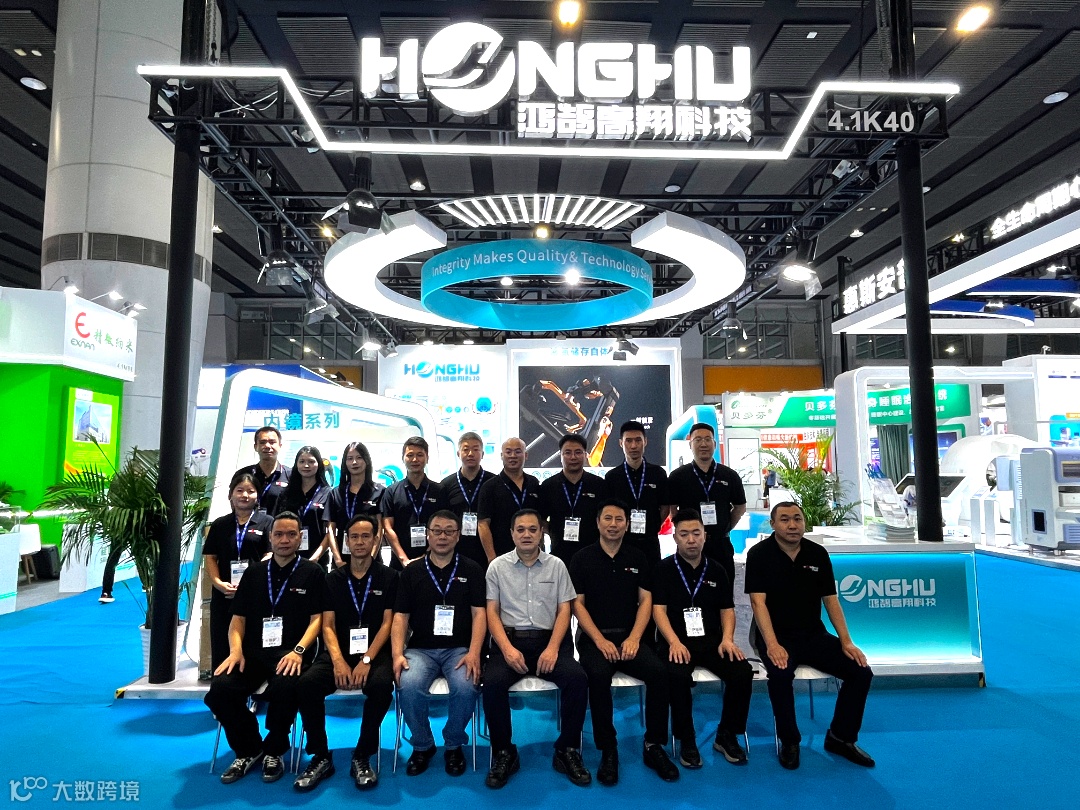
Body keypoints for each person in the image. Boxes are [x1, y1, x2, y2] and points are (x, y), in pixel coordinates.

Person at [745, 502, 875, 771]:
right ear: (773, 524)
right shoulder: (759, 554)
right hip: (776, 636)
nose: (792, 525)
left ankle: (841, 737)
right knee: (780, 675)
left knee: (860, 671)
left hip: (813, 634)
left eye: (797, 519)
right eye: (784, 519)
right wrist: (772, 644)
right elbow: (758, 603)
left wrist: (846, 641)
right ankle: (790, 741)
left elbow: (831, 600)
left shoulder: (817, 553)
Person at [203, 511, 326, 785]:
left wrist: (299, 651)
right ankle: (249, 747)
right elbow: (238, 620)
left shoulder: (312, 572)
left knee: (285, 687)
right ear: (270, 537)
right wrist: (235, 652)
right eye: (279, 534)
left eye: (291, 534)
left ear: (300, 538)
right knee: (220, 690)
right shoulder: (254, 573)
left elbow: (317, 620)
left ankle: (274, 750)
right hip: (253, 654)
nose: (285, 540)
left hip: (292, 653)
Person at [570, 499, 680, 785]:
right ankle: (608, 748)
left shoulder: (638, 557)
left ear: (627, 524)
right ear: (598, 523)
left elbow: (646, 600)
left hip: (630, 637)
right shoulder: (581, 558)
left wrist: (634, 638)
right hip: (595, 639)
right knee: (597, 676)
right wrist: (599, 640)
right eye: (607, 518)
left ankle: (653, 744)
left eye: (619, 519)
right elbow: (577, 605)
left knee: (659, 673)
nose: (613, 524)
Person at [482, 508, 590, 789]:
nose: (527, 534)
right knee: (491, 683)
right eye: (520, 530)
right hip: (510, 643)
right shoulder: (497, 567)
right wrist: (506, 649)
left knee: (577, 679)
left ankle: (567, 749)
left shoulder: (557, 565)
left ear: (542, 533)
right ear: (511, 534)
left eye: (533, 529)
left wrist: (553, 648)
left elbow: (565, 609)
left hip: (549, 643)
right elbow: (491, 612)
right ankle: (504, 752)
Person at [294, 514, 397, 791]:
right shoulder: (331, 579)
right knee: (307, 684)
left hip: (375, 653)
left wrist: (367, 659)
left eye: (366, 536)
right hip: (337, 651)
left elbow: (388, 624)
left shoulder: (389, 577)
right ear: (346, 542)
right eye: (354, 537)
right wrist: (338, 662)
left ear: (375, 540)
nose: (360, 542)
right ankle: (320, 755)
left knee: (380, 687)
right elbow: (327, 625)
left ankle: (362, 754)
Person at [653, 509, 754, 770]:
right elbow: (658, 611)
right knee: (676, 676)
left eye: (696, 533)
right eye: (684, 534)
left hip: (712, 642)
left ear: (705, 536)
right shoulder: (663, 569)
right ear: (675, 537)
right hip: (676, 642)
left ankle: (726, 734)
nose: (691, 540)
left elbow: (727, 610)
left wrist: (728, 639)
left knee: (742, 672)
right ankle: (686, 739)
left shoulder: (717, 570)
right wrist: (674, 642)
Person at [391, 510, 485, 778]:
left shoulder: (472, 569)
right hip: (420, 650)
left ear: (458, 536)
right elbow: (400, 617)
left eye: (449, 531)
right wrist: (397, 654)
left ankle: (453, 743)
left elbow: (480, 615)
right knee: (408, 684)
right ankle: (423, 745)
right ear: (427, 535)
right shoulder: (411, 572)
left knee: (466, 686)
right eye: (437, 531)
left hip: (460, 650)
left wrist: (475, 653)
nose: (442, 536)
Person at [201, 472, 273, 669]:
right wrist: (218, 583)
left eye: (251, 491)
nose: (245, 495)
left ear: (257, 495)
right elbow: (210, 557)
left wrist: (249, 582)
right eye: (239, 490)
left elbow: (270, 554)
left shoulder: (267, 522)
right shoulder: (220, 524)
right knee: (222, 643)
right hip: (224, 593)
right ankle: (221, 682)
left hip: (255, 593)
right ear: (231, 494)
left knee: (252, 644)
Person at [666, 423, 746, 598]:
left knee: (723, 595)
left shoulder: (729, 475)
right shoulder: (678, 476)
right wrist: (684, 532)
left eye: (708, 439)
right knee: (688, 593)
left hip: (720, 544)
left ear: (714, 444)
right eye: (698, 440)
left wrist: (726, 527)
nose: (703, 444)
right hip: (690, 545)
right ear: (690, 444)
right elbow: (672, 508)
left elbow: (740, 507)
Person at [602, 421, 672, 568]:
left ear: (645, 441)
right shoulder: (612, 477)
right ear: (621, 443)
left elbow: (665, 507)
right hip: (622, 542)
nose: (633, 446)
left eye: (638, 440)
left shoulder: (658, 474)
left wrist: (653, 526)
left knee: (652, 579)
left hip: (650, 542)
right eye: (628, 441)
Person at [382, 436, 449, 570]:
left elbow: (444, 527)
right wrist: (404, 560)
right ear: (403, 458)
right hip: (400, 564)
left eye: (420, 455)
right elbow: (387, 528)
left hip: (434, 561)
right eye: (410, 455)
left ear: (427, 458)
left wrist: (426, 555)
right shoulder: (392, 491)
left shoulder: (439, 490)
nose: (415, 459)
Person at [539, 433, 605, 565]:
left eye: (578, 452)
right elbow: (540, 519)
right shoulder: (548, 486)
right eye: (567, 453)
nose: (573, 457)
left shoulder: (599, 485)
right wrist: (553, 531)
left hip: (593, 554)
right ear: (560, 456)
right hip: (559, 554)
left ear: (585, 455)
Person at [477, 437, 542, 563]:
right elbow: (483, 524)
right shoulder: (489, 486)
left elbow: (541, 521)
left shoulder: (533, 483)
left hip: (533, 554)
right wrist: (492, 558)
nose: (513, 456)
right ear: (502, 456)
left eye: (518, 452)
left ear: (526, 455)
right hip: (502, 554)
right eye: (508, 452)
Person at [440, 432, 494, 570]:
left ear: (482, 454)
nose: (470, 454)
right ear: (458, 454)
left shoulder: (494, 483)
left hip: (488, 552)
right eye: (466, 449)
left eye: (475, 449)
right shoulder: (446, 485)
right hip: (456, 552)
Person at [326, 442, 385, 568]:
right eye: (350, 458)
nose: (354, 462)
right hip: (342, 561)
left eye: (359, 458)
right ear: (345, 463)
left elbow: (380, 528)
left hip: (371, 561)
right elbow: (330, 529)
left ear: (366, 461)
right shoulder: (335, 493)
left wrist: (371, 559)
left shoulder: (379, 491)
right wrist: (337, 560)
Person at [281, 446, 332, 564]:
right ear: (296, 464)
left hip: (317, 558)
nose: (306, 465)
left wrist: (316, 557)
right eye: (302, 461)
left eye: (311, 461)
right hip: (288, 556)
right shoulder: (287, 493)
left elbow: (330, 530)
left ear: (319, 464)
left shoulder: (328, 493)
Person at [232, 425, 291, 516]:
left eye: (272, 442)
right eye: (262, 442)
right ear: (256, 447)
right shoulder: (243, 474)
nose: (267, 446)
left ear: (280, 446)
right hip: (248, 524)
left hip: (280, 524)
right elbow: (233, 501)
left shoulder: (290, 475)